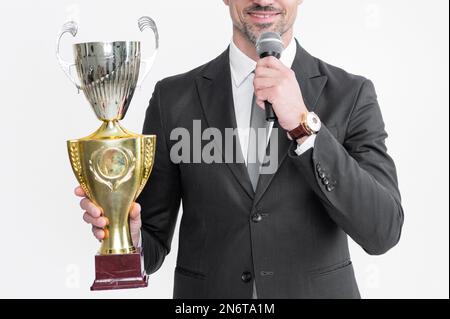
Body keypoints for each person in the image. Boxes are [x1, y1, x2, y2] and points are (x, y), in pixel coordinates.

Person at [75, 0, 404, 298]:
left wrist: (305, 128)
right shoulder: (172, 99)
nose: (263, 0)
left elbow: (382, 231)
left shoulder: (352, 94)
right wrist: (128, 233)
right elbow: (153, 244)